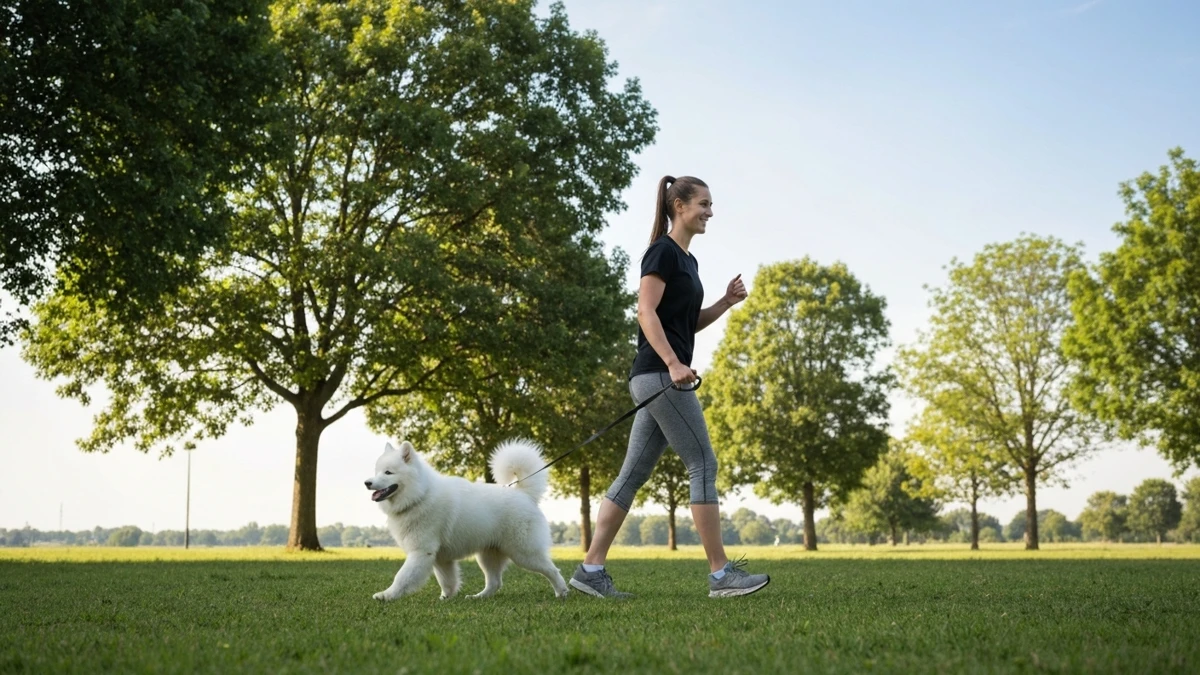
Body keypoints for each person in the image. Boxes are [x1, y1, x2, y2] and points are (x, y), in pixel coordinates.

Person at [569, 175, 770, 599]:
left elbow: (684, 321)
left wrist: (724, 303)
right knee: (702, 463)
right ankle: (720, 575)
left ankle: (590, 570)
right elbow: (646, 312)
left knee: (632, 474)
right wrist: (674, 362)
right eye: (704, 203)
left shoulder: (687, 262)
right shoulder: (661, 251)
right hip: (660, 374)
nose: (710, 212)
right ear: (678, 205)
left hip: (656, 375)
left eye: (711, 205)